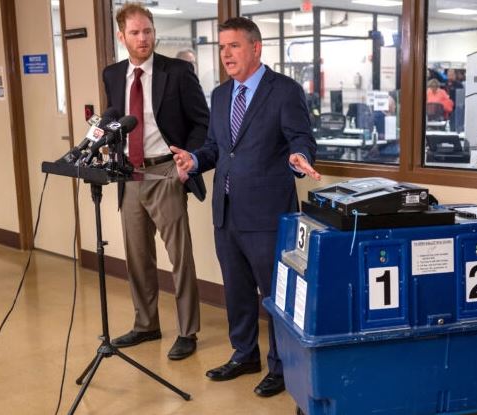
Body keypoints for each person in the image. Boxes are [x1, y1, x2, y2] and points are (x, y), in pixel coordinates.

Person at [170, 17, 320, 397]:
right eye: (221, 48)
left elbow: (301, 138)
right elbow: (217, 149)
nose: (226, 54)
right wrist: (194, 160)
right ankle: (244, 354)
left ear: (256, 48)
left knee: (275, 296)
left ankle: (282, 365)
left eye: (233, 46)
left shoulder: (284, 91)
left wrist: (299, 156)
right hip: (226, 210)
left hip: (268, 213)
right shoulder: (221, 95)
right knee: (236, 290)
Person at [103, 2, 209, 361]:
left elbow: (201, 122)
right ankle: (146, 324)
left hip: (166, 171)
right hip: (129, 174)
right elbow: (115, 121)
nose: (143, 37)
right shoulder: (113, 74)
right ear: (122, 37)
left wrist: (186, 161)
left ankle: (187, 330)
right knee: (137, 256)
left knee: (179, 257)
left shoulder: (178, 72)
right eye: (135, 32)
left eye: (147, 30)